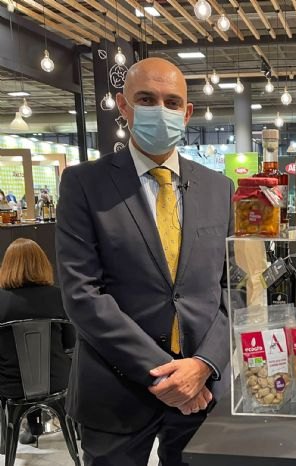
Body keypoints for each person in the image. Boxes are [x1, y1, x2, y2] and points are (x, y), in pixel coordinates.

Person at [56, 57, 234, 466]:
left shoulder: (218, 188)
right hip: (115, 388)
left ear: (187, 113)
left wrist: (203, 365)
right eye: (147, 99)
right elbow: (82, 294)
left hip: (201, 390)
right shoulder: (85, 184)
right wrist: (166, 374)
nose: (161, 110)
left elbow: (234, 288)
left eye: (172, 102)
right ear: (124, 105)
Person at [0, 238, 74, 445]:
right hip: (57, 380)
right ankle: (73, 428)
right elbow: (70, 344)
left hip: (10, 385)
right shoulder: (59, 297)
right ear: (43, 264)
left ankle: (12, 436)